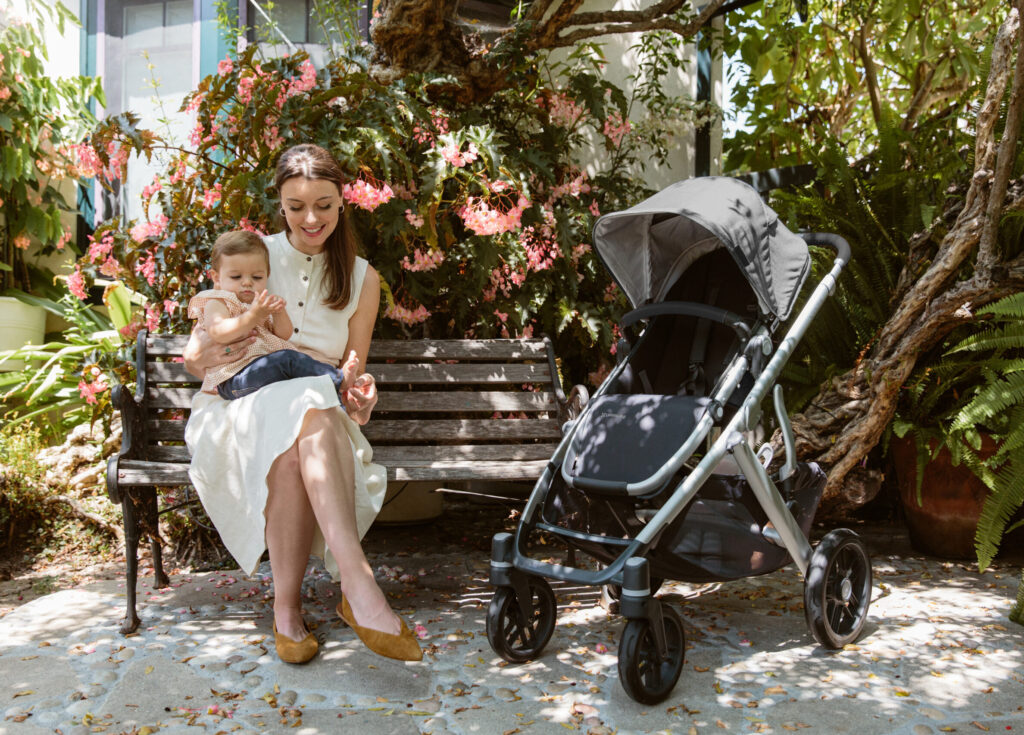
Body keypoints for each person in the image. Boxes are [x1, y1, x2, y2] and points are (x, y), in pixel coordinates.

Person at [183, 143, 421, 663]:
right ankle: (357, 585)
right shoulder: (252, 260)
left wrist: (360, 393)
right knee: (304, 401)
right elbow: (199, 359)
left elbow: (351, 369)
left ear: (343, 203)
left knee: (306, 413)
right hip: (237, 412)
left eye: (324, 204)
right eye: (295, 207)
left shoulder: (363, 278)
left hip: (318, 413)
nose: (310, 218)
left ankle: (286, 611)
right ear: (280, 206)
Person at [188, 229, 360, 401]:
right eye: (236, 276)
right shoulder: (219, 301)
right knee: (288, 360)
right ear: (216, 278)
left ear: (267, 276)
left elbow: (284, 334)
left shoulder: (258, 304)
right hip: (233, 379)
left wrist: (278, 313)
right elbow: (218, 331)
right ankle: (339, 379)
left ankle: (340, 403)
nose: (247, 282)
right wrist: (253, 317)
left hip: (259, 373)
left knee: (299, 380)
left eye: (256, 277)